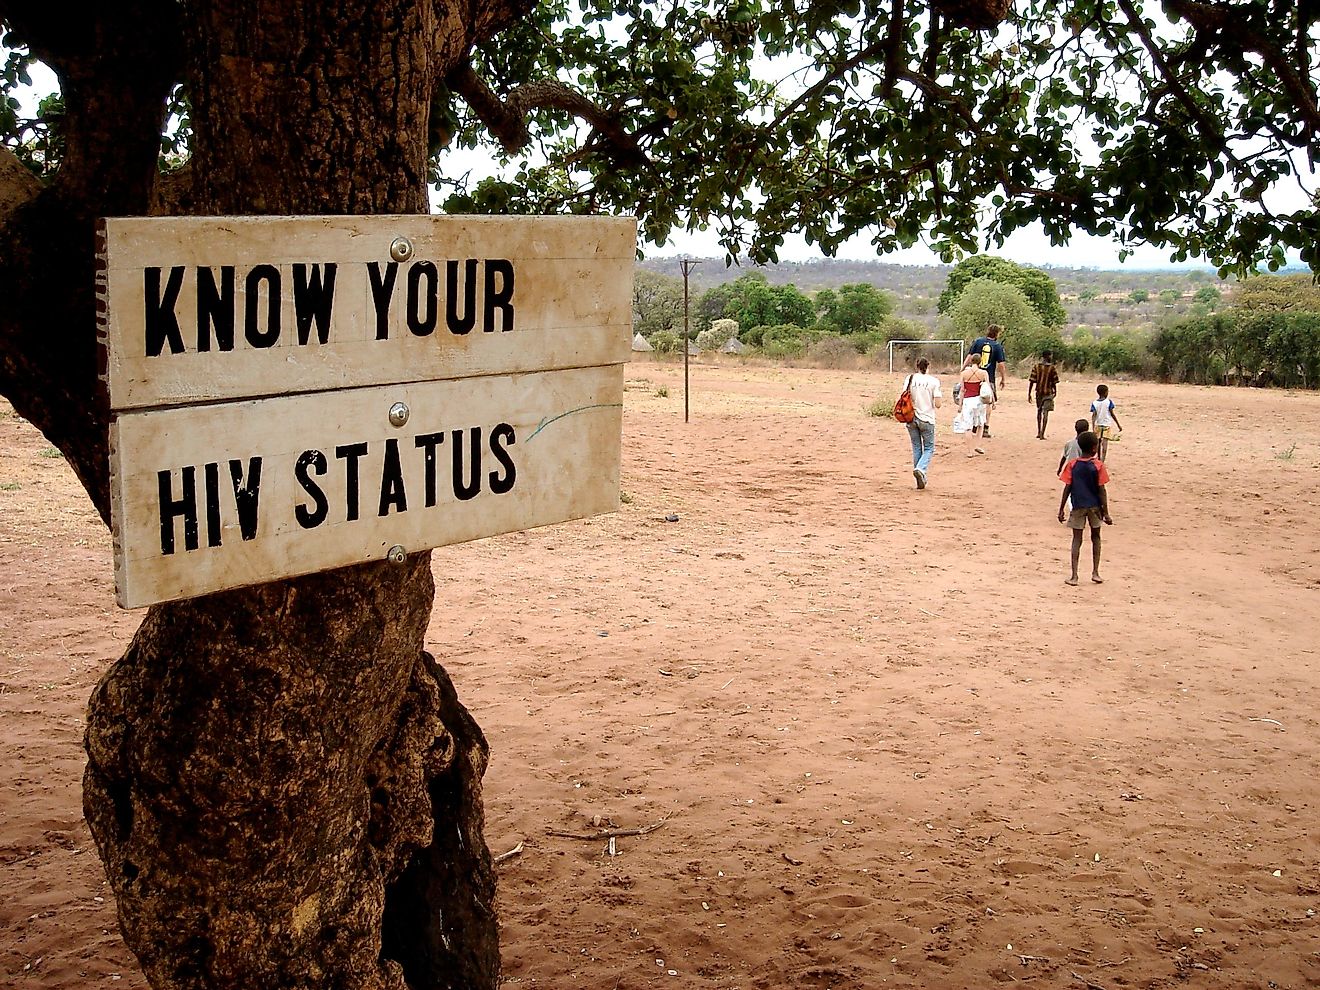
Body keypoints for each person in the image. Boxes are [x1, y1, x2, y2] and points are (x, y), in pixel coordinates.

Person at [1058, 431, 1112, 586]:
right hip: (1095, 506)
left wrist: (1061, 508)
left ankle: (1074, 576)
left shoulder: (1072, 465)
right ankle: (1095, 572)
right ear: (1095, 448)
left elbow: (1067, 487)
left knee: (1077, 539)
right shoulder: (1098, 465)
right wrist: (1106, 513)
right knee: (1096, 537)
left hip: (1077, 506)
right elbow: (1102, 490)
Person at [904, 358, 942, 489]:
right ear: (928, 366)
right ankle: (921, 469)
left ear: (917, 366)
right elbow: (938, 404)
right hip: (927, 418)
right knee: (929, 448)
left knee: (916, 446)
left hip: (911, 417)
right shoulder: (934, 381)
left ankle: (919, 476)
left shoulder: (910, 378)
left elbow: (905, 395)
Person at [963, 324, 1007, 438]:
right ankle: (985, 427)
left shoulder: (978, 341)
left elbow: (969, 356)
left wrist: (963, 369)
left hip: (974, 376)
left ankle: (974, 425)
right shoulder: (997, 346)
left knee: (974, 399)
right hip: (988, 377)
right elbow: (1001, 364)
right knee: (987, 401)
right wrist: (1003, 378)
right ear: (997, 334)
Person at [951, 359, 989, 455]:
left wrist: (960, 405)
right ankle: (977, 445)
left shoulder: (964, 373)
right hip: (979, 400)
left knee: (968, 426)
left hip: (968, 401)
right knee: (980, 424)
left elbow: (962, 390)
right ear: (980, 362)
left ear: (971, 362)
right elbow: (987, 388)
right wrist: (991, 402)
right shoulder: (983, 373)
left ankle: (970, 451)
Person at [1027, 350, 1060, 440]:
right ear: (1048, 356)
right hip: (1048, 392)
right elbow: (1054, 381)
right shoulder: (1052, 368)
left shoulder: (1037, 367)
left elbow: (1032, 380)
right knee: (1046, 413)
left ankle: (1039, 432)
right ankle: (1042, 433)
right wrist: (1055, 391)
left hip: (1039, 392)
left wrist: (1029, 393)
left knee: (1039, 411)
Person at [1089, 384, 1123, 461]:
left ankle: (1098, 458)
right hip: (1106, 425)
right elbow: (1112, 414)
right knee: (1105, 444)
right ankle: (1102, 461)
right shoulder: (1108, 402)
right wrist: (1118, 425)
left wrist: (1093, 426)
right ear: (1105, 393)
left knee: (1097, 444)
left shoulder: (1094, 403)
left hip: (1098, 425)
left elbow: (1094, 415)